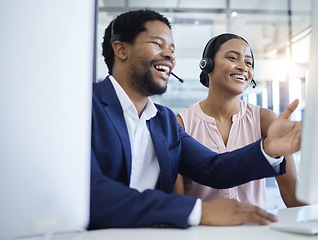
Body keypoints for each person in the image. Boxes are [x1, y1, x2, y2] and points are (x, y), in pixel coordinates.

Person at [89, 9, 302, 230]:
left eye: (172, 49)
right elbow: (91, 191)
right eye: (157, 44)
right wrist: (199, 211)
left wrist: (267, 149)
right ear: (121, 49)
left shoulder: (164, 122)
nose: (170, 56)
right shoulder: (84, 107)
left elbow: (214, 168)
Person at [174, 33, 306, 209]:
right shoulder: (182, 124)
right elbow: (178, 202)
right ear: (208, 65)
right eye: (232, 58)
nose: (243, 67)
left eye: (249, 62)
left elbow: (291, 191)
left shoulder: (265, 120)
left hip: (257, 230)